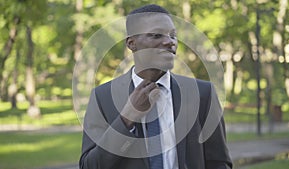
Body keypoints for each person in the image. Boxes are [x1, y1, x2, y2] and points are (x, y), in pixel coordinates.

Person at [79, 4, 232, 169]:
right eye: (157, 35)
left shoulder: (203, 94)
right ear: (132, 43)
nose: (169, 42)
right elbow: (90, 165)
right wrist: (127, 118)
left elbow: (219, 162)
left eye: (173, 35)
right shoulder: (102, 97)